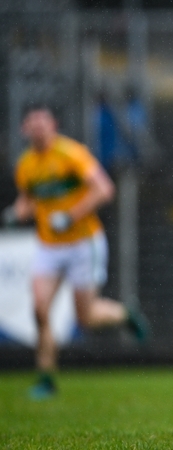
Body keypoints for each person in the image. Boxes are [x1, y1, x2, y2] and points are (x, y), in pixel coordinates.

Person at [2, 105, 149, 400]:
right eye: (32, 123)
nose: (38, 127)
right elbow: (30, 201)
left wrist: (70, 215)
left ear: (53, 125)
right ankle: (46, 379)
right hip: (48, 246)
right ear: (25, 130)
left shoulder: (71, 154)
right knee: (40, 310)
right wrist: (15, 213)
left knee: (86, 317)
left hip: (84, 243)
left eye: (43, 122)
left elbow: (104, 189)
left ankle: (124, 314)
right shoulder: (26, 165)